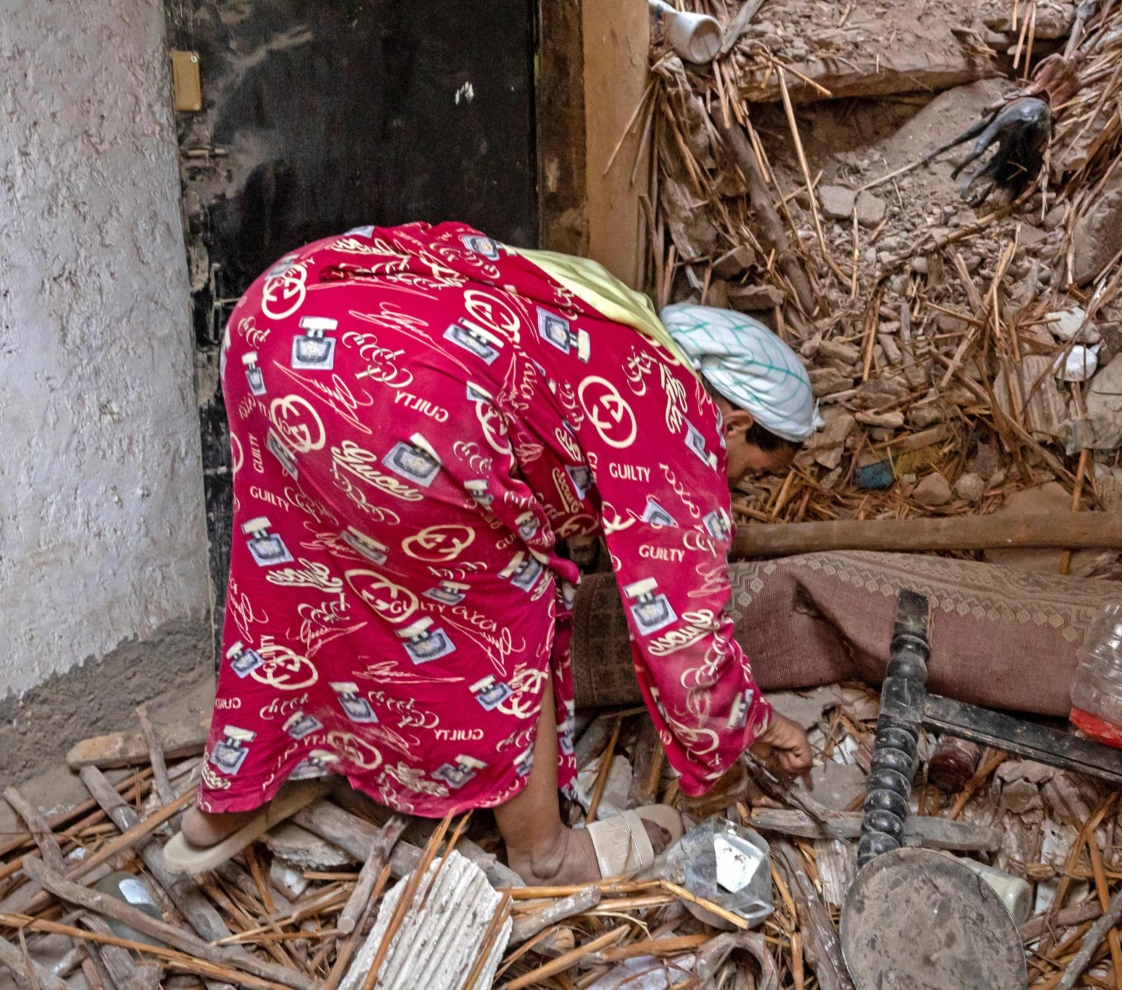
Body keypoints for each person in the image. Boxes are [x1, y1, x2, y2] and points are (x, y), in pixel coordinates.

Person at [165, 222, 818, 885]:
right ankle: (544, 852)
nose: (738, 484)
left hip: (280, 318)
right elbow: (683, 639)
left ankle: (219, 810)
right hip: (402, 400)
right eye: (754, 470)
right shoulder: (677, 420)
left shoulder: (615, 325)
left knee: (297, 572)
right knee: (505, 611)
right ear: (735, 422)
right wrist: (758, 725)